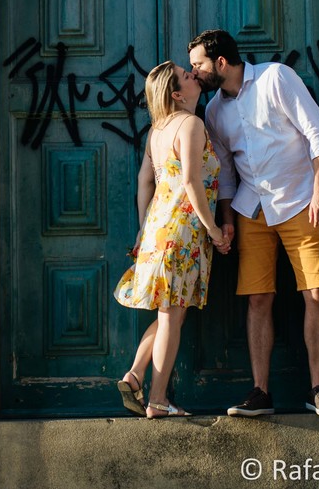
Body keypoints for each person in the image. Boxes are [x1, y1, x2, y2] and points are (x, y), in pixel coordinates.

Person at [189, 29, 319, 417]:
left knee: (316, 293)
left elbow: (317, 133)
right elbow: (226, 172)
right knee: (258, 298)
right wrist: (227, 219)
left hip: (301, 201)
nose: (194, 73)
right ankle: (260, 392)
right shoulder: (213, 111)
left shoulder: (276, 78)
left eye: (198, 65)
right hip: (251, 210)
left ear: (220, 62)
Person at [113, 61, 231, 418]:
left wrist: (143, 226)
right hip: (182, 231)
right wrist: (214, 230)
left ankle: (135, 375)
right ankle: (158, 400)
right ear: (177, 94)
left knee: (171, 315)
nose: (193, 74)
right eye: (186, 75)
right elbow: (192, 182)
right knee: (170, 316)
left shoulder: (158, 129)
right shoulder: (191, 125)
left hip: (157, 228)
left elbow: (144, 181)